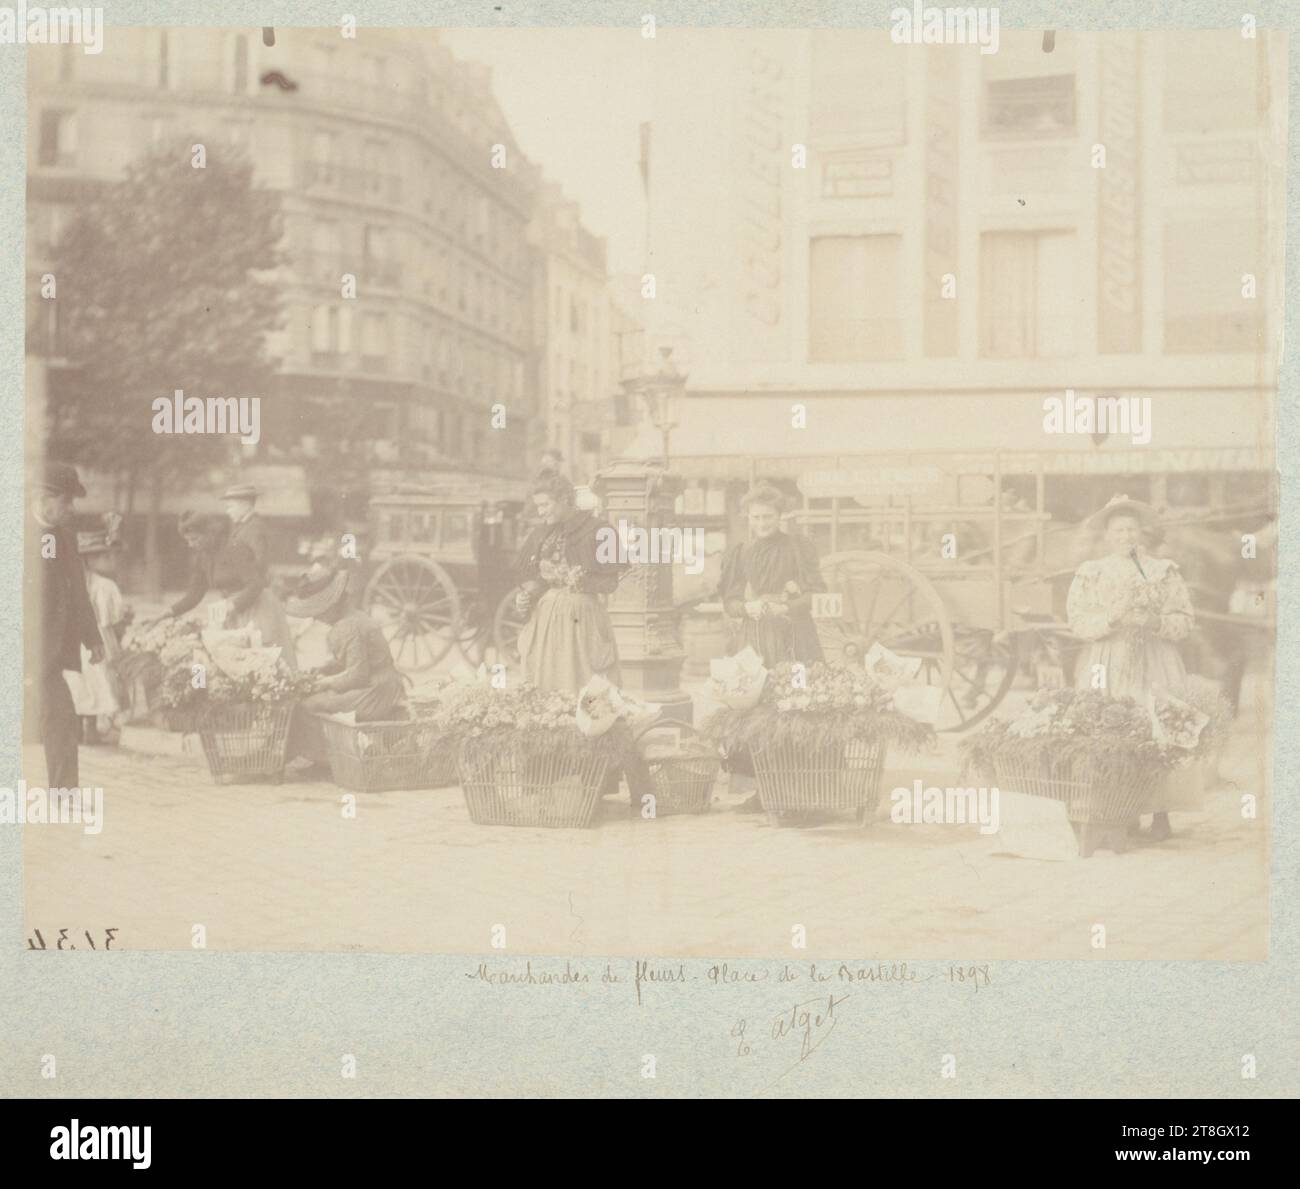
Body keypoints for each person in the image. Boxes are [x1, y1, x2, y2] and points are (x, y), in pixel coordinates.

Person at [1066, 494, 1195, 841]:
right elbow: (1078, 620)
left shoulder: (1162, 571)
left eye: (1132, 529)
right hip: (1109, 659)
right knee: (1115, 729)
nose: (1126, 536)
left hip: (1155, 659)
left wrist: (1156, 622)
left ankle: (1161, 811)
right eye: (1118, 530)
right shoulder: (1092, 572)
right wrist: (1111, 617)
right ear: (1108, 535)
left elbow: (1184, 619)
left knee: (1158, 726)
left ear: (1143, 534)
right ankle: (1122, 809)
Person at [24, 462, 103, 791]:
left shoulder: (63, 536)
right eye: (67, 501)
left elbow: (77, 589)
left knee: (61, 717)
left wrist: (92, 637)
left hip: (48, 650)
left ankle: (65, 791)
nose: (71, 509)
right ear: (45, 498)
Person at [285, 567, 406, 766]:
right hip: (382, 684)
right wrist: (325, 669)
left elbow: (357, 675)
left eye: (318, 611)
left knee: (310, 705)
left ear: (331, 606)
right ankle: (324, 755)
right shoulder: (354, 617)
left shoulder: (347, 627)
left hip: (377, 692)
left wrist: (325, 683)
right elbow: (356, 660)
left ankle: (326, 761)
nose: (316, 617)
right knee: (314, 698)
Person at [514, 473, 621, 693]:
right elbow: (537, 580)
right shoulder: (542, 533)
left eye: (546, 505)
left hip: (581, 619)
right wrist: (526, 596)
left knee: (582, 683)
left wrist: (579, 579)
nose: (541, 512)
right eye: (538, 506)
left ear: (564, 498)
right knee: (546, 683)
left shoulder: (599, 530)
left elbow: (610, 583)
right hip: (545, 619)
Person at [161, 511, 298, 671]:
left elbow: (256, 583)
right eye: (188, 541)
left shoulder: (235, 548)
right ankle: (204, 688)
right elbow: (195, 593)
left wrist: (234, 605)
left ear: (209, 534)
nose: (191, 544)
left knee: (263, 663)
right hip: (229, 609)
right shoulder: (202, 557)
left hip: (256, 606)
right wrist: (170, 611)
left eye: (195, 539)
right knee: (230, 661)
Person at [718, 483, 826, 666]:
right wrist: (747, 608)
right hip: (755, 637)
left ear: (779, 516)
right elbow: (730, 602)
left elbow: (817, 594)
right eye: (756, 517)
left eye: (768, 516)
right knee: (757, 686)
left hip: (796, 636)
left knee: (798, 685)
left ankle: (798, 685)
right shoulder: (742, 552)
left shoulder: (797, 547)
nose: (762, 523)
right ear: (749, 518)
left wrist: (786, 607)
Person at [69, 529, 128, 744]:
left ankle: (79, 729)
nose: (107, 560)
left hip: (76, 639)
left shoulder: (71, 583)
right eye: (101, 556)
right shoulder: (105, 585)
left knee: (80, 682)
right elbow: (113, 617)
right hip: (98, 637)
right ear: (88, 559)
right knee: (99, 680)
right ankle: (91, 729)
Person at [221, 483, 270, 577]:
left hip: (248, 588)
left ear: (246, 505)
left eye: (230, 506)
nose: (227, 511)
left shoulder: (255, 528)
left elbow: (260, 565)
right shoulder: (242, 525)